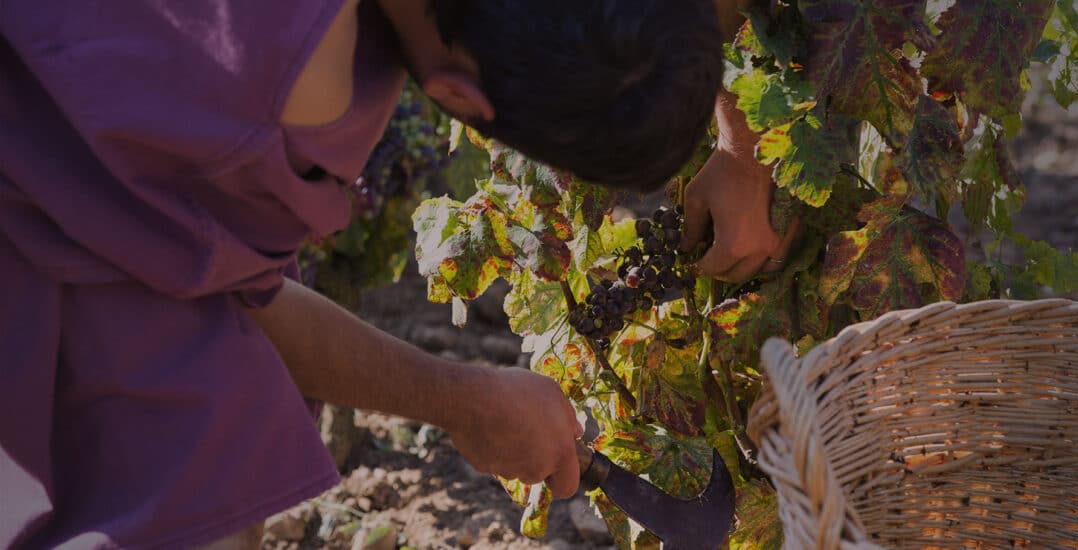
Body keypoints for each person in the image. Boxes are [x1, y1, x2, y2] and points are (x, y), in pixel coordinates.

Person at [0, 0, 792, 548]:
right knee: (192, 459)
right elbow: (234, 317)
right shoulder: (256, 106)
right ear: (456, 97)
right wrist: (456, 398)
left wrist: (740, 146)